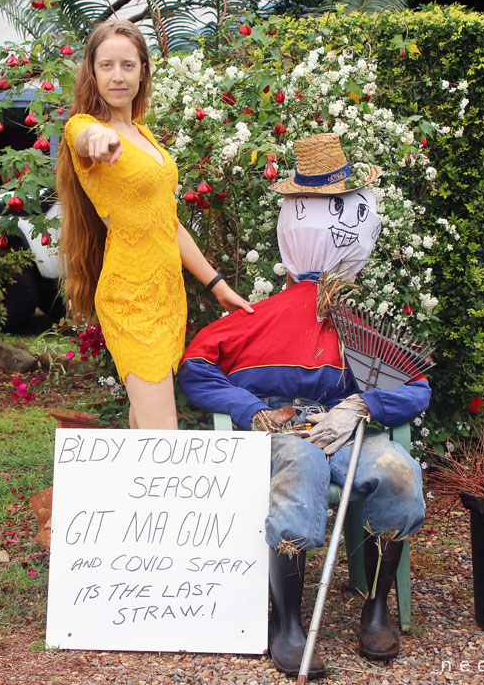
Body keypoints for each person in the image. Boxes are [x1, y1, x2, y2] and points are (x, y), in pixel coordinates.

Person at [178, 133, 430, 679]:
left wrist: (365, 403)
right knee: (302, 462)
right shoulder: (254, 316)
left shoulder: (355, 329)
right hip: (280, 433)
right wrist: (249, 411)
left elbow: (417, 386)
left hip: (345, 432)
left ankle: (376, 606)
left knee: (398, 471)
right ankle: (288, 621)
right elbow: (195, 366)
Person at [56, 19, 252, 429]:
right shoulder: (85, 127)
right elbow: (85, 136)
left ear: (143, 69)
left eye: (128, 65)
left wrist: (218, 286)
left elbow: (169, 223)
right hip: (131, 298)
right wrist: (97, 139)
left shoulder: (143, 135)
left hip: (167, 297)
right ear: (91, 71)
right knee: (164, 434)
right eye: (106, 65)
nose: (117, 75)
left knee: (143, 429)